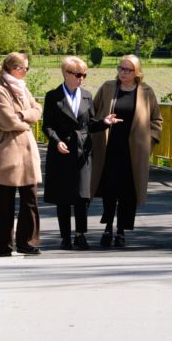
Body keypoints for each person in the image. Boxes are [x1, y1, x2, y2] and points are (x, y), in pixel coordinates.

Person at [42, 56, 121, 251]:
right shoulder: (53, 96)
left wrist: (105, 123)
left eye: (84, 74)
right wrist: (57, 141)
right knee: (63, 196)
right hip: (62, 150)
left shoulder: (86, 95)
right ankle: (65, 236)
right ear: (66, 73)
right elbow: (47, 126)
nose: (82, 78)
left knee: (82, 195)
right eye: (78, 74)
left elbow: (90, 124)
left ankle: (80, 234)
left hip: (82, 151)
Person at [91, 54, 162, 248]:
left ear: (137, 72)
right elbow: (93, 112)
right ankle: (107, 228)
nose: (122, 72)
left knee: (127, 192)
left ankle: (121, 230)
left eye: (127, 70)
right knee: (109, 190)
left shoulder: (146, 92)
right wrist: (99, 127)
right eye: (120, 68)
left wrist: (150, 141)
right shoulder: (107, 88)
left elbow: (157, 120)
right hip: (110, 147)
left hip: (134, 151)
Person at [0, 52, 43, 256]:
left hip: (26, 151)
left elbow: (38, 109)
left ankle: (28, 242)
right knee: (3, 201)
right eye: (24, 68)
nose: (26, 72)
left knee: (30, 198)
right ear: (13, 69)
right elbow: (8, 120)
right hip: (5, 151)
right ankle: (3, 246)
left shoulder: (23, 89)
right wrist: (26, 120)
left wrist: (23, 115)